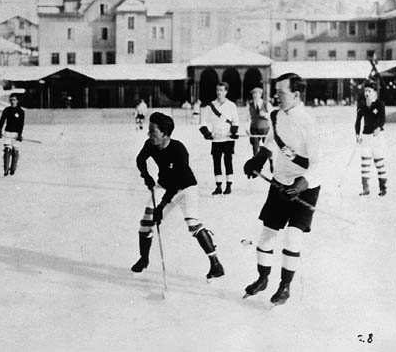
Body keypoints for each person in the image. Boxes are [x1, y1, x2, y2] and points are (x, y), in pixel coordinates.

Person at [242, 73, 321, 305]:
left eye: (281, 92)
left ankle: (285, 286)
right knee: (267, 235)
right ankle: (263, 278)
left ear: (296, 95)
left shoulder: (308, 122)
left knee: (292, 237)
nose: (276, 96)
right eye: (275, 91)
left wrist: (303, 182)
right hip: (279, 182)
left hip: (304, 186)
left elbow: (318, 161)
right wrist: (259, 158)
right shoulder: (276, 115)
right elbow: (271, 141)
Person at [132, 112, 224, 281]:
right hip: (164, 185)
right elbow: (140, 159)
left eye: (152, 131)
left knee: (193, 224)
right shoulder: (150, 144)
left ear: (165, 133)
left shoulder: (179, 150)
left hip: (186, 187)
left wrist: (161, 207)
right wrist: (146, 175)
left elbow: (177, 182)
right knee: (146, 223)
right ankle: (144, 259)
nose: (148, 134)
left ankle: (216, 264)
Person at [199, 82, 240, 195]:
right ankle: (218, 186)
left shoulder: (231, 105)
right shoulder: (210, 106)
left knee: (228, 161)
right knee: (216, 162)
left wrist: (233, 131)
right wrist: (207, 134)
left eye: (221, 90)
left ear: (226, 91)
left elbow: (236, 121)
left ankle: (229, 186)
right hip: (216, 139)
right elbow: (203, 122)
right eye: (217, 90)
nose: (219, 92)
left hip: (227, 139)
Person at [355, 80, 387, 196]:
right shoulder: (362, 105)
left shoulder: (379, 104)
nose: (367, 93)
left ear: (374, 92)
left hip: (377, 137)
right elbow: (357, 122)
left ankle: (383, 187)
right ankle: (365, 188)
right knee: (365, 162)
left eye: (369, 91)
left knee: (379, 162)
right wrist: (357, 134)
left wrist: (378, 128)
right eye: (365, 91)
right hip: (366, 137)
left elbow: (383, 119)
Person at [0, 93, 25, 176]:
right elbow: (2, 121)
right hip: (8, 133)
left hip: (16, 133)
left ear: (17, 101)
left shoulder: (21, 111)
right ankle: (5, 169)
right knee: (7, 150)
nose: (12, 102)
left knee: (15, 151)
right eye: (11, 100)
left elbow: (21, 124)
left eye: (14, 100)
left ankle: (13, 168)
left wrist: (20, 134)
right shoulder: (7, 110)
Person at [248, 84, 274, 172]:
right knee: (255, 147)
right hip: (254, 128)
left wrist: (265, 115)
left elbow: (272, 116)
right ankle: (256, 166)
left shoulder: (266, 104)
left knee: (268, 146)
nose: (255, 95)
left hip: (265, 128)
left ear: (260, 94)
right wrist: (246, 128)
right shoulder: (251, 104)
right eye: (253, 94)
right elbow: (248, 117)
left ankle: (271, 162)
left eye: (256, 93)